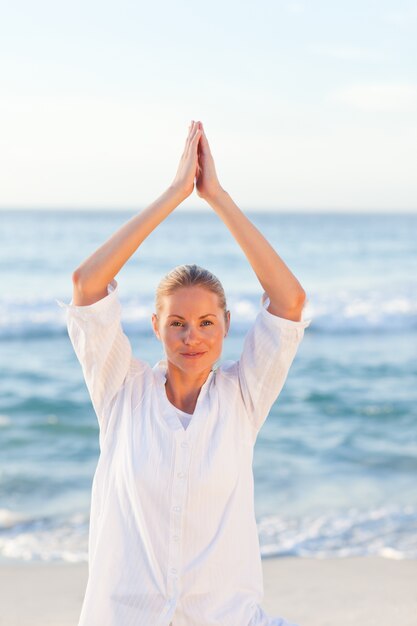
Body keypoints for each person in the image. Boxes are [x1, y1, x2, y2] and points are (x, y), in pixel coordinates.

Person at [57, 120, 311, 626]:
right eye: (176, 322)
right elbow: (87, 285)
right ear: (155, 326)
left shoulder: (242, 398)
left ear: (226, 327)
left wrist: (216, 197)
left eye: (205, 323)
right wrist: (175, 194)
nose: (191, 336)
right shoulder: (121, 392)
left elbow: (290, 302)